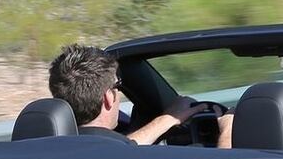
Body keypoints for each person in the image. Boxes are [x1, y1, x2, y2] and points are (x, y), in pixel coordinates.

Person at [47, 44, 233, 147]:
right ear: (108, 98)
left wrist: (167, 119)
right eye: (117, 86)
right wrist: (227, 132)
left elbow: (123, 147)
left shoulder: (41, 148)